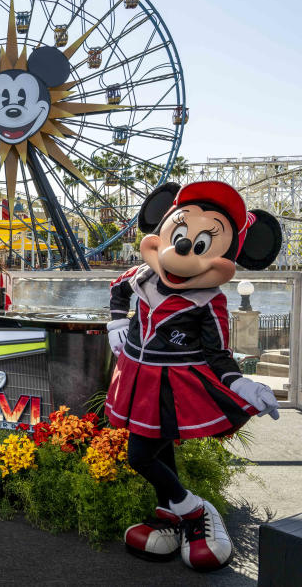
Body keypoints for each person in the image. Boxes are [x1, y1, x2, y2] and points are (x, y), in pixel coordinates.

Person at [105, 181, 282, 572]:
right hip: (137, 378)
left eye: (202, 243)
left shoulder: (209, 301)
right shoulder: (143, 277)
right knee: (156, 449)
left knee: (140, 456)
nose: (182, 249)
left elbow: (218, 354)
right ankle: (170, 512)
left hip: (172, 385)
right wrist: (117, 321)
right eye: (179, 235)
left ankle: (193, 509)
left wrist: (243, 384)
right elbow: (118, 287)